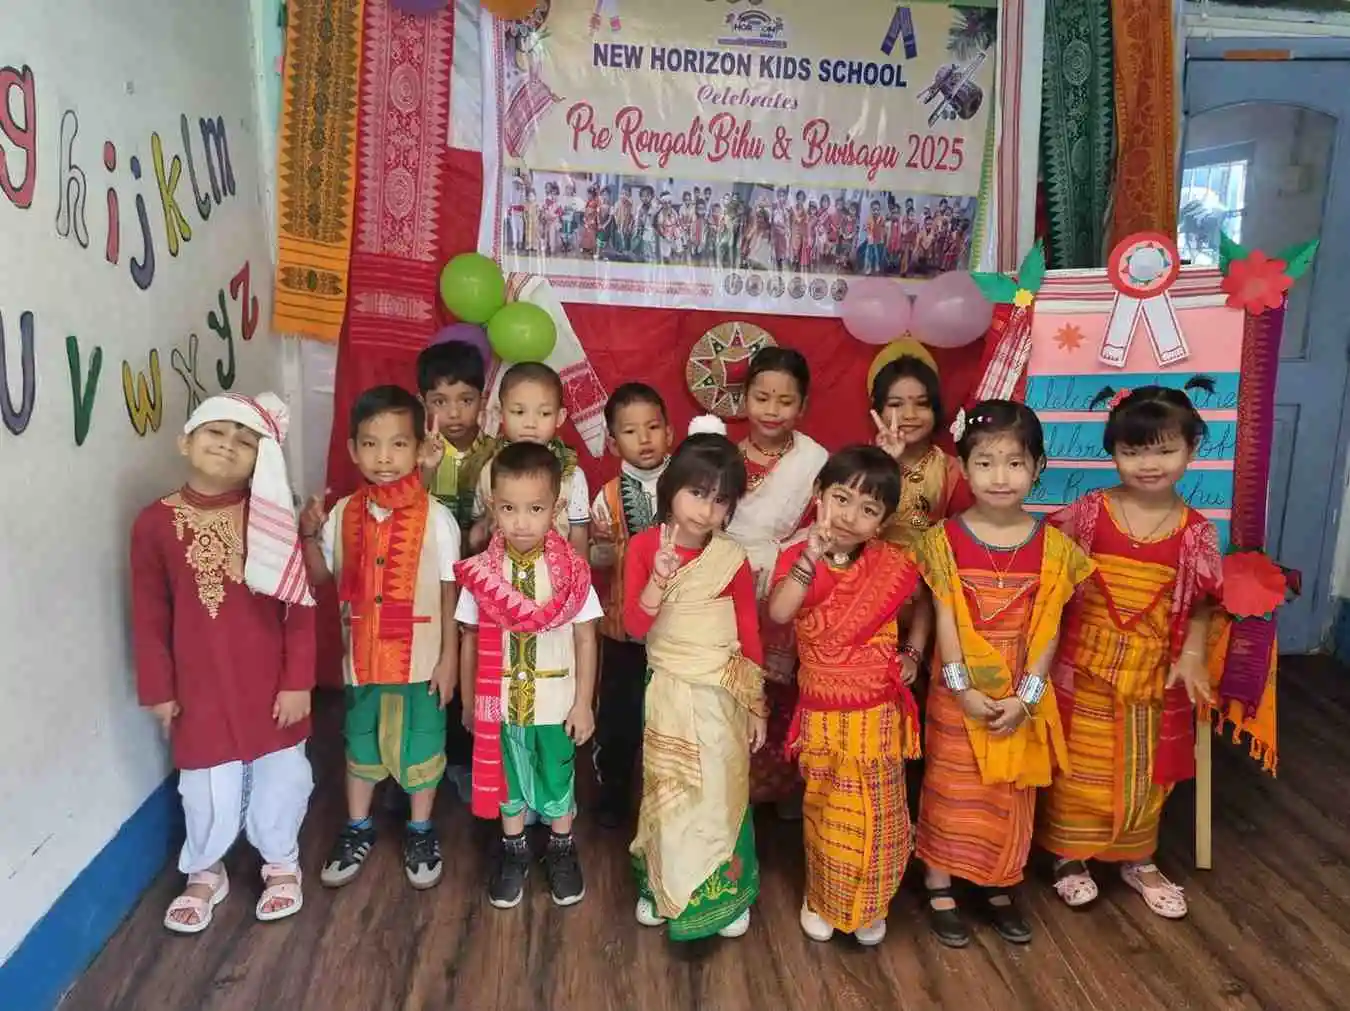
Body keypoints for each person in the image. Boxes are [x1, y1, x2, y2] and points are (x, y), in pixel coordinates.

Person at [910, 400, 1094, 947]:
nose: (1000, 476)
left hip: (1019, 690)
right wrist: (963, 690)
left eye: (1015, 463)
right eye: (985, 462)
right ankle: (939, 879)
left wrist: (1026, 699)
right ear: (964, 469)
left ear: (1038, 468)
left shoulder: (1055, 548)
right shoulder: (942, 541)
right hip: (957, 691)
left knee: (1008, 790)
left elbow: (1050, 631)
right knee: (950, 785)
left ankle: (996, 879)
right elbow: (945, 618)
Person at [132, 393, 316, 934]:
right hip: (200, 683)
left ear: (262, 459)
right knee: (203, 783)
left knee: (282, 775)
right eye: (216, 432)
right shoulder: (154, 523)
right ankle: (205, 870)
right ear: (184, 441)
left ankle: (281, 861)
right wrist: (159, 689)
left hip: (271, 678)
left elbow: (299, 607)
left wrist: (299, 682)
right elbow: (148, 613)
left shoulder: (271, 518)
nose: (228, 446)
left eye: (245, 441)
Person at [1039, 381, 1222, 920]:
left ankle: (1138, 861)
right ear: (1113, 452)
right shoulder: (1087, 514)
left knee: (1145, 773)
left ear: (1192, 449)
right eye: (1132, 451)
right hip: (1083, 670)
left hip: (1152, 675)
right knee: (1077, 769)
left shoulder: (1197, 533)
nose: (1148, 464)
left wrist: (1192, 656)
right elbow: (1047, 574)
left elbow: (1204, 603)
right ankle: (1069, 859)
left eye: (1164, 450)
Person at [300, 386, 460, 892]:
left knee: (423, 743)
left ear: (418, 449)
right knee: (361, 742)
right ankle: (357, 827)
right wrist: (309, 536)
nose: (384, 458)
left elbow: (450, 593)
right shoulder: (343, 514)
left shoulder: (437, 518)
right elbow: (320, 578)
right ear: (353, 449)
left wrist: (450, 660)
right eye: (371, 444)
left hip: (422, 661)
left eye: (398, 444)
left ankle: (421, 830)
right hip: (363, 660)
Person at [766, 446, 927, 946]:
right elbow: (780, 612)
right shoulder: (799, 557)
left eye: (868, 508)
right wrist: (810, 556)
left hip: (878, 712)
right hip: (823, 715)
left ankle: (871, 905)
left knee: (880, 816)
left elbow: (923, 603)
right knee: (827, 812)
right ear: (819, 495)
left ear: (882, 522)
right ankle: (823, 899)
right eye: (841, 498)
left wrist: (914, 654)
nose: (850, 516)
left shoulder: (890, 563)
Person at [625, 419, 768, 941]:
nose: (707, 510)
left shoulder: (731, 558)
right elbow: (634, 627)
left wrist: (756, 705)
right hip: (668, 688)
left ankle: (725, 899)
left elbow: (748, 633)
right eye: (697, 492)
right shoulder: (644, 548)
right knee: (671, 787)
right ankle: (661, 888)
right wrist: (658, 581)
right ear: (671, 488)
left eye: (721, 500)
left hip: (723, 694)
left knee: (721, 790)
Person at [455, 442, 603, 907]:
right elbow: (470, 639)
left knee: (558, 776)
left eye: (535, 509)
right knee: (508, 780)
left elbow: (586, 638)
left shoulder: (573, 574)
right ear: (492, 506)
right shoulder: (482, 573)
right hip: (499, 704)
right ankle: (513, 849)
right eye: (509, 508)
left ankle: (561, 847)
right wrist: (468, 703)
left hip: (556, 703)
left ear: (556, 508)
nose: (521, 522)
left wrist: (583, 704)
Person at [725, 346, 829, 815]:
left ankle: (780, 788)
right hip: (724, 588)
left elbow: (822, 525)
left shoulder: (814, 462)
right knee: (730, 691)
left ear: (802, 406)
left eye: (785, 401)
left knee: (779, 696)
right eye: (762, 398)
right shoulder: (724, 456)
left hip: (784, 585)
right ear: (744, 399)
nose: (772, 410)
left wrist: (780, 561)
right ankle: (733, 792)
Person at [589, 383, 674, 828]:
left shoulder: (689, 486)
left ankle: (668, 799)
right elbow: (596, 561)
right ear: (611, 442)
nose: (644, 439)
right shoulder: (606, 496)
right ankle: (612, 792)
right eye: (629, 431)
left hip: (675, 630)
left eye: (653, 427)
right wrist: (602, 549)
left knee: (671, 717)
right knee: (619, 717)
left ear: (670, 432)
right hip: (622, 628)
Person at [418, 341, 496, 802]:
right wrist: (425, 470)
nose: (453, 413)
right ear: (424, 403)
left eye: (465, 399)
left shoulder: (497, 451)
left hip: (484, 577)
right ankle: (427, 755)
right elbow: (408, 504)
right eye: (440, 401)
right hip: (431, 579)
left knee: (475, 662)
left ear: (483, 400)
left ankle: (467, 758)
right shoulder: (419, 452)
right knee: (434, 658)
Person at [470, 362, 591, 558]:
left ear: (560, 416)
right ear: (500, 414)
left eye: (544, 413)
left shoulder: (571, 475)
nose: (530, 423)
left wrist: (578, 575)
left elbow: (578, 537)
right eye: (519, 412)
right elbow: (477, 527)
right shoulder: (488, 470)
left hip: (554, 572)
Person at [867, 345, 970, 549]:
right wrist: (883, 463)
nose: (910, 415)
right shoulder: (858, 465)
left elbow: (962, 537)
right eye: (896, 405)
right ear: (878, 411)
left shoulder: (951, 471)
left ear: (935, 410)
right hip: (868, 564)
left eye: (922, 404)